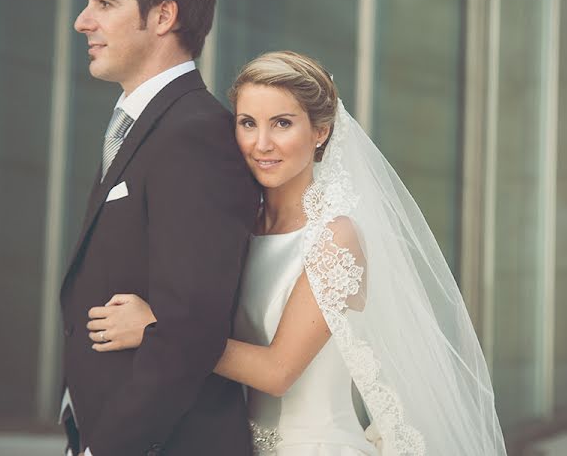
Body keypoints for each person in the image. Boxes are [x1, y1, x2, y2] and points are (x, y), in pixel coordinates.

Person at [87, 51, 507, 455]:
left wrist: (156, 330)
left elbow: (277, 372)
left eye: (282, 124)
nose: (261, 143)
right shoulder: (236, 228)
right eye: (247, 123)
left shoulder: (335, 238)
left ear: (320, 132)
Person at [58, 0, 260, 456]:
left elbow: (187, 327)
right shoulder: (143, 123)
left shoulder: (195, 134)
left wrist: (109, 448)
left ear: (163, 16)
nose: (83, 22)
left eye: (104, 3)